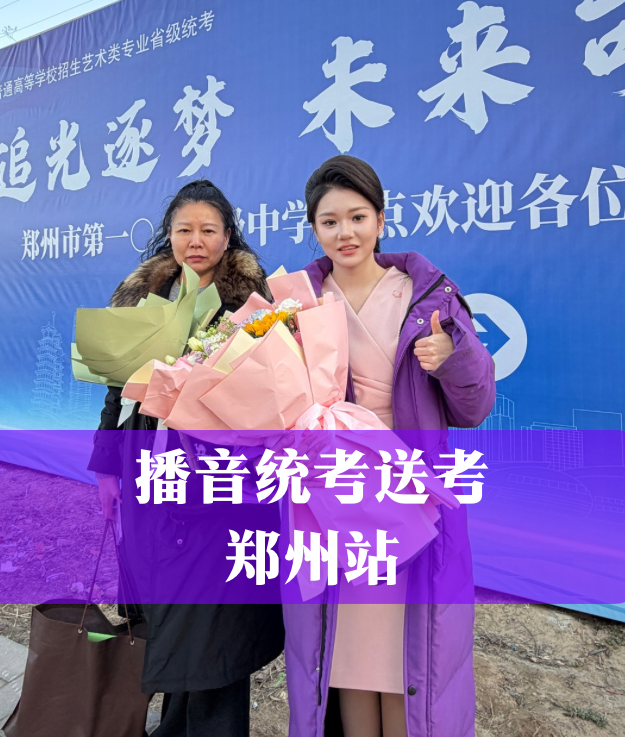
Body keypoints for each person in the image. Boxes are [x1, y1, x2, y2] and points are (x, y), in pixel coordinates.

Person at [283, 156, 496, 737]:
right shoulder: (296, 306)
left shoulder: (427, 297)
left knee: (409, 659)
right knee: (345, 655)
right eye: (329, 221)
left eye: (358, 217)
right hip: (332, 497)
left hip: (410, 496)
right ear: (313, 227)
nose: (345, 233)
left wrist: (453, 361)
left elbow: (475, 408)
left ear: (381, 219)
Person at [88, 179, 284, 737]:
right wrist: (107, 467)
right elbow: (117, 388)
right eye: (184, 230)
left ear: (228, 236)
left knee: (216, 619)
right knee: (166, 608)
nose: (195, 241)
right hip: (150, 471)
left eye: (208, 230)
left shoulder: (252, 304)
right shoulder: (142, 297)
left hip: (221, 480)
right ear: (168, 234)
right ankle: (173, 726)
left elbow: (269, 392)